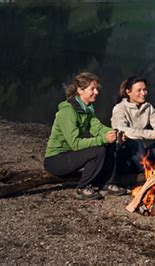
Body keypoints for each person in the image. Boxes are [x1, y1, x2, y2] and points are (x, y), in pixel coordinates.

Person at [44, 72, 127, 200]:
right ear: (80, 90)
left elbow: (97, 128)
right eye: (92, 89)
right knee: (98, 150)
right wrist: (102, 139)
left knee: (110, 144)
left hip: (71, 157)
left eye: (97, 89)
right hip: (56, 160)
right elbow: (75, 144)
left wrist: (115, 133)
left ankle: (106, 183)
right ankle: (83, 188)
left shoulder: (87, 108)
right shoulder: (68, 112)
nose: (97, 92)